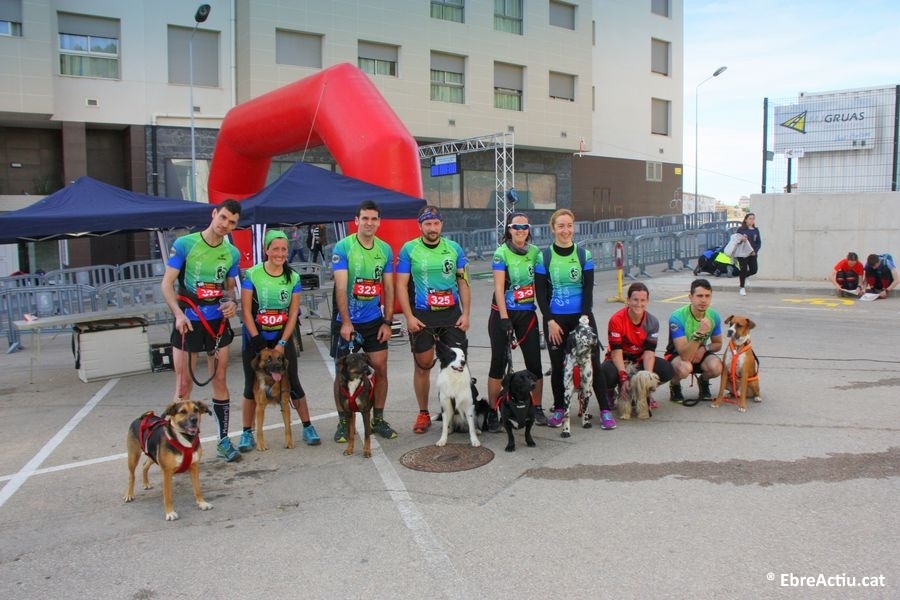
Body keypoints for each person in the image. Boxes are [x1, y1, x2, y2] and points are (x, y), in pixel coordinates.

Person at [161, 199, 242, 462]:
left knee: (220, 379)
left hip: (217, 324)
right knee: (183, 384)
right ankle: (175, 446)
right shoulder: (185, 244)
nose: (225, 225)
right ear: (214, 214)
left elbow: (229, 289)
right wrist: (178, 314)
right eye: (223, 218)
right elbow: (166, 284)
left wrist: (231, 303)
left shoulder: (232, 253)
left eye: (232, 222)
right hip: (188, 321)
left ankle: (223, 441)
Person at [237, 229, 320, 452]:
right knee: (250, 385)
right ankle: (246, 433)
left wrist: (282, 343)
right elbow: (246, 312)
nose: (280, 253)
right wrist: (258, 342)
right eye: (275, 249)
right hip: (255, 338)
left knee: (293, 381)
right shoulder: (252, 274)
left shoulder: (293, 277)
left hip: (281, 337)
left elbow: (293, 314)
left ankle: (307, 426)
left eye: (284, 249)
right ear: (266, 250)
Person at [534, 209, 614, 430]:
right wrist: (549, 321)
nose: (565, 230)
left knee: (593, 364)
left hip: (582, 318)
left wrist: (585, 318)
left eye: (569, 225)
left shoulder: (583, 255)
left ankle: (605, 410)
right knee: (558, 366)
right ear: (553, 228)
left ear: (574, 227)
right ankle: (560, 408)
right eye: (561, 226)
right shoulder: (544, 257)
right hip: (555, 320)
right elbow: (540, 293)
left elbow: (588, 289)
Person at [396, 205, 470, 434]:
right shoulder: (409, 249)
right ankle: (423, 413)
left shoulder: (454, 248)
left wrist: (466, 313)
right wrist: (409, 317)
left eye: (436, 223)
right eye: (427, 224)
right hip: (423, 316)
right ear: (420, 226)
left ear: (441, 225)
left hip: (451, 315)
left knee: (456, 366)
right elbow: (401, 285)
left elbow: (463, 282)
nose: (432, 228)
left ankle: (455, 412)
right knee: (423, 366)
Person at [330, 200, 398, 443]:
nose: (369, 223)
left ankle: (378, 418)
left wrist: (387, 322)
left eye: (374, 219)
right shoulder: (343, 247)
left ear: (379, 222)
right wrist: (346, 323)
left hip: (373, 321)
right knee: (342, 373)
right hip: (347, 321)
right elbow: (340, 287)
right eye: (365, 218)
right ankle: (343, 421)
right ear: (356, 220)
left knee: (380, 368)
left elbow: (388, 288)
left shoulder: (385, 249)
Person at [487, 212, 546, 429]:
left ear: (529, 229)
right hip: (503, 313)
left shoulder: (536, 252)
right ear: (509, 229)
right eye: (516, 227)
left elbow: (541, 284)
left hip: (527, 314)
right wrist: (504, 317)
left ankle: (537, 407)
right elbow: (499, 288)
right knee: (498, 364)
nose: (520, 231)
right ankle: (493, 411)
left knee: (535, 364)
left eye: (524, 227)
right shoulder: (501, 253)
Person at [600, 282, 674, 409]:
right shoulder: (616, 320)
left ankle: (642, 392)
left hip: (639, 359)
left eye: (642, 300)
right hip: (620, 358)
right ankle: (610, 392)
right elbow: (616, 352)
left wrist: (647, 380)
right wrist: (623, 377)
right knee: (605, 372)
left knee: (667, 370)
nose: (639, 304)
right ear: (628, 300)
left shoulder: (652, 322)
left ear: (647, 301)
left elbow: (649, 353)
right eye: (635, 300)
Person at [665, 278, 724, 404]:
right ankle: (674, 384)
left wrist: (704, 349)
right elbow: (685, 355)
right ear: (690, 297)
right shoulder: (677, 317)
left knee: (717, 367)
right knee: (685, 368)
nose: (703, 300)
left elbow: (718, 343)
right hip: (678, 354)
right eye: (699, 296)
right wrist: (700, 333)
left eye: (707, 296)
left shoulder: (713, 316)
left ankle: (703, 381)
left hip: (699, 352)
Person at [735, 212, 761, 296]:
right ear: (746, 220)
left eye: (753, 219)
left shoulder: (756, 230)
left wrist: (755, 251)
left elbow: (758, 243)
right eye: (750, 218)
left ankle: (745, 276)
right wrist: (741, 239)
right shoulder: (741, 230)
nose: (752, 220)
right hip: (742, 254)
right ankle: (742, 288)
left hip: (752, 253)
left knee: (754, 270)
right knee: (743, 270)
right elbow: (735, 241)